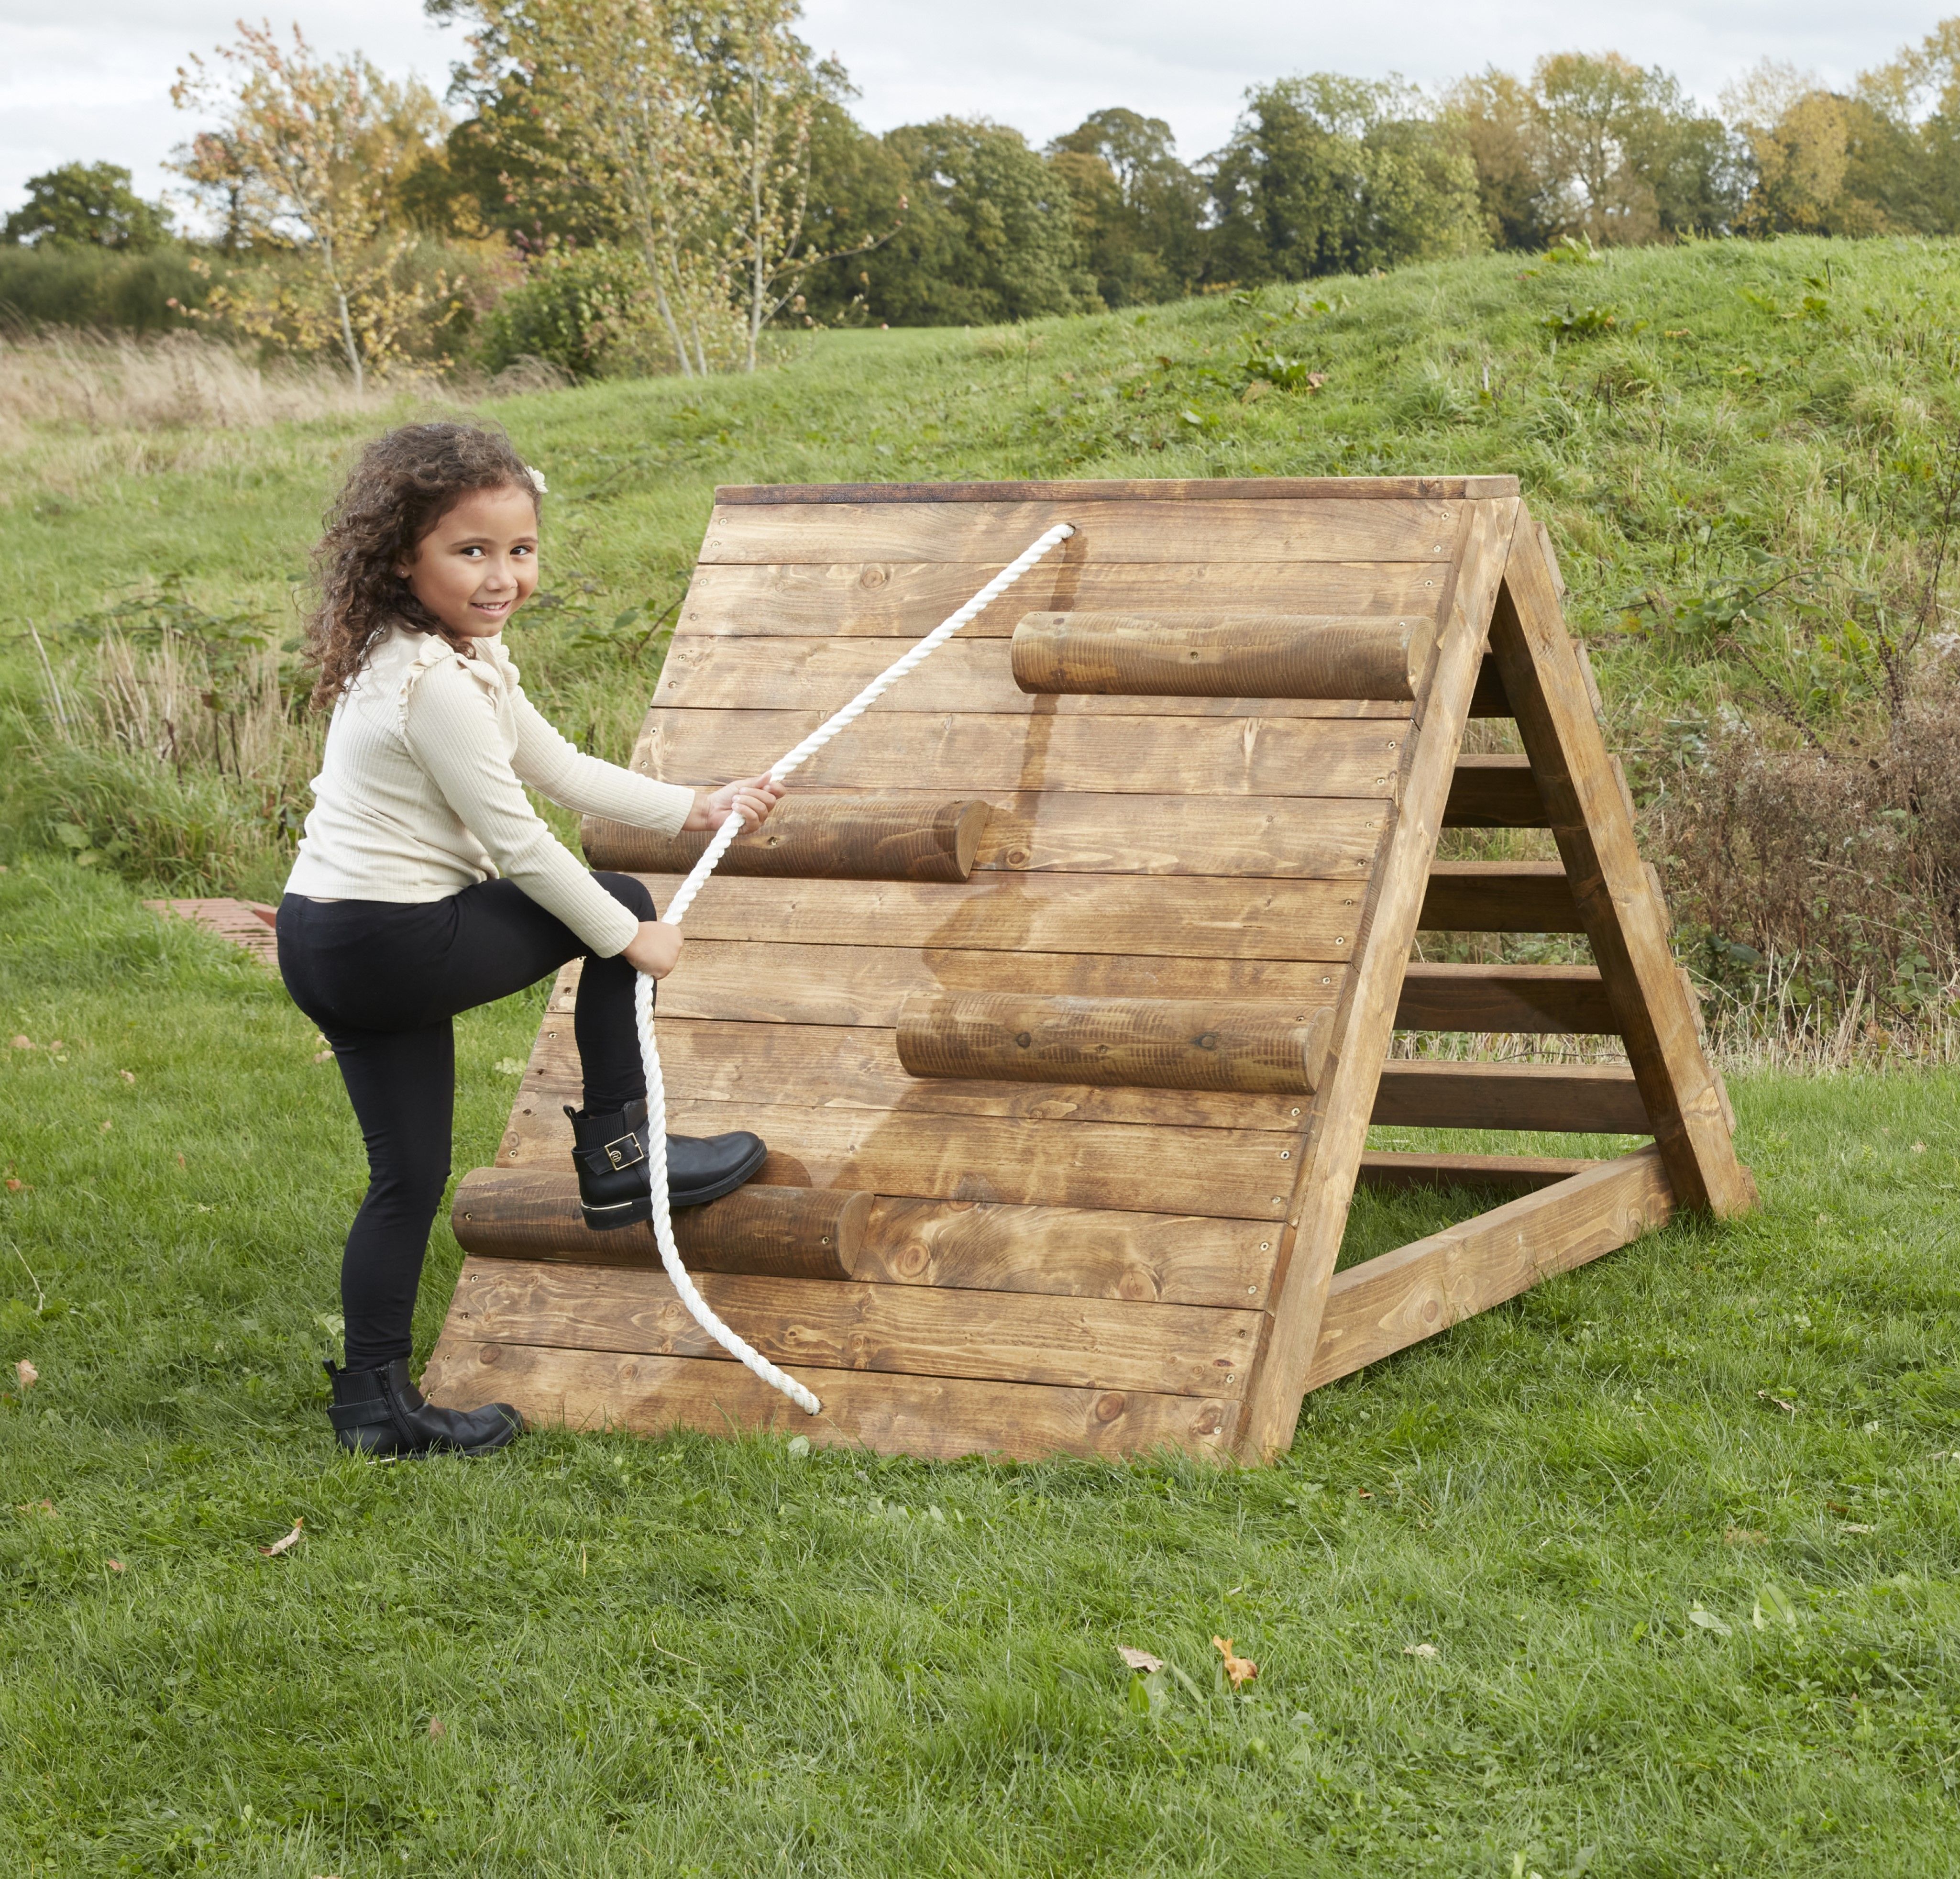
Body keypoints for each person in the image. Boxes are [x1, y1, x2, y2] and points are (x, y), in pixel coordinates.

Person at [275, 422, 782, 1460]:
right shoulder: (436, 689)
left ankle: (373, 1404)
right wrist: (629, 938)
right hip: (387, 940)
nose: (502, 575)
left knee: (406, 1177)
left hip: (325, 939)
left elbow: (559, 763)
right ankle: (620, 1155)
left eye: (520, 549)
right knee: (614, 896)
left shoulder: (437, 655)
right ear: (402, 558)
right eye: (471, 551)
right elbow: (522, 844)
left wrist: (701, 803)